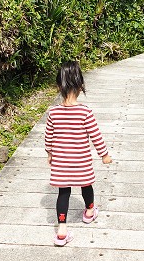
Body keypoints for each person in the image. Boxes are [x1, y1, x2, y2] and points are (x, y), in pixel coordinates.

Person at [45, 61, 113, 246]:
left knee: (63, 193)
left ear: (59, 86)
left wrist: (50, 153)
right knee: (86, 185)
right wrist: (104, 155)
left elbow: (48, 137)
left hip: (61, 163)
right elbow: (96, 136)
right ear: (81, 85)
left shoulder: (53, 113)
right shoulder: (85, 112)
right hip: (81, 162)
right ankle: (89, 211)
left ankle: (61, 230)